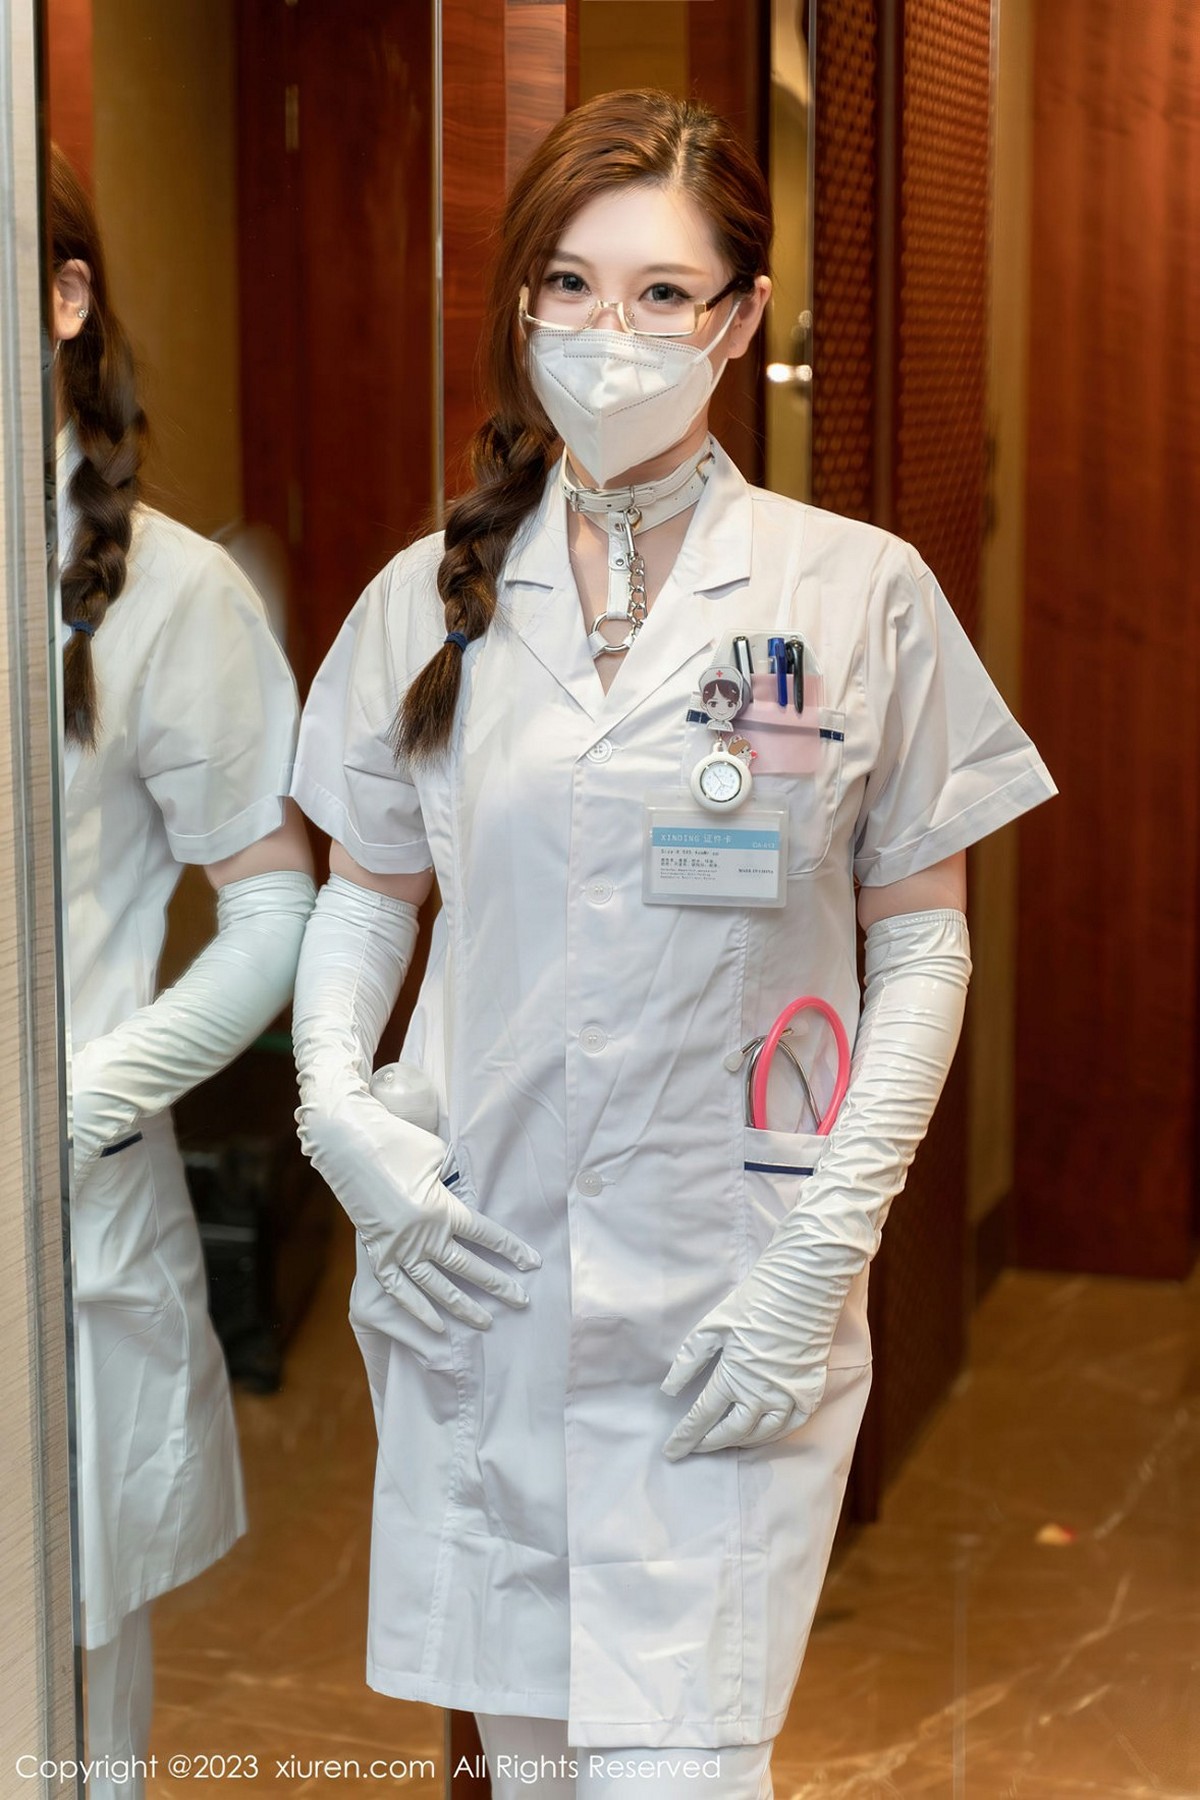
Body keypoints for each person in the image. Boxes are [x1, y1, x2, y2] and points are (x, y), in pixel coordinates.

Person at [289, 90, 1055, 1799]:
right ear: (521, 305)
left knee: (687, 1773)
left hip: (729, 1296)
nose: (607, 331)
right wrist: (336, 1109)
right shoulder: (429, 594)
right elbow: (365, 891)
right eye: (568, 285)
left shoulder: (854, 591)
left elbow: (923, 947)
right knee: (533, 1773)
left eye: (658, 293)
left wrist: (823, 1254)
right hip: (479, 1275)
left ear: (740, 318)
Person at [49, 147, 316, 1800]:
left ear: (65, 299)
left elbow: (275, 913)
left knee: (62, 1725)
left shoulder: (170, 596)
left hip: (62, 1233)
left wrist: (79, 1103)